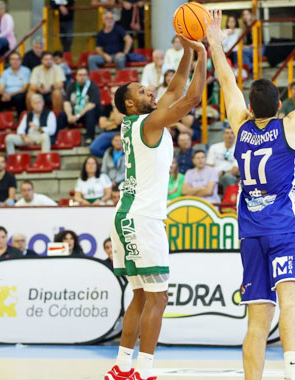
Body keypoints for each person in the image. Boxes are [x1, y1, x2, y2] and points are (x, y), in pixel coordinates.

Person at [207, 10, 295, 379]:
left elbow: (226, 80)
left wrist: (215, 43)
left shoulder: (240, 124)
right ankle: (293, 376)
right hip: (284, 228)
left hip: (251, 232)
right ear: (280, 105)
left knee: (257, 318)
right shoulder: (290, 126)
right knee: (292, 303)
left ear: (251, 108)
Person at [104, 27, 206, 380]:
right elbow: (190, 99)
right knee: (158, 298)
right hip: (142, 218)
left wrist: (188, 50)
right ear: (131, 104)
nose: (150, 89)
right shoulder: (147, 122)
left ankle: (122, 367)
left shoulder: (143, 120)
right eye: (142, 90)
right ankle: (143, 371)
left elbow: (176, 87)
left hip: (130, 215)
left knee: (141, 297)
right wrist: (206, 54)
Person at [63, 67, 99, 143]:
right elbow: (66, 102)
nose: (82, 77)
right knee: (62, 115)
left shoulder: (93, 86)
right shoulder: (71, 86)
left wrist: (77, 116)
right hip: (74, 113)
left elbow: (92, 104)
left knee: (90, 113)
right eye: (80, 75)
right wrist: (69, 115)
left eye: (84, 75)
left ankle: (89, 138)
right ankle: (58, 138)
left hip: (85, 113)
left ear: (88, 76)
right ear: (76, 76)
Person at [90, 85, 124, 157]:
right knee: (93, 148)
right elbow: (102, 124)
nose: (115, 95)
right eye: (113, 93)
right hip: (108, 134)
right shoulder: (107, 107)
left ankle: (119, 157)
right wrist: (115, 122)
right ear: (110, 95)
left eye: (117, 93)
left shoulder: (124, 106)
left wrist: (114, 106)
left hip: (122, 132)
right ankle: (112, 157)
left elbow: (118, 120)